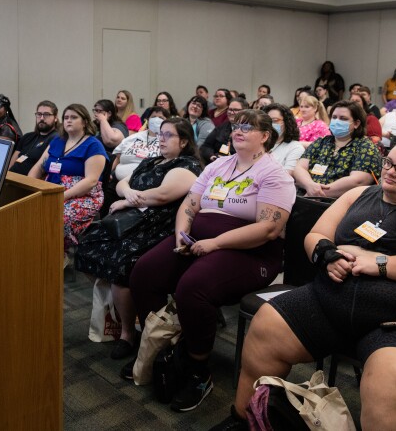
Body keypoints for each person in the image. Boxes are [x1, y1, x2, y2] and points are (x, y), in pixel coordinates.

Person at [214, 137, 396, 430]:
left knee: (394, 379)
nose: (391, 171)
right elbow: (316, 235)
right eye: (388, 163)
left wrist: (380, 263)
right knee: (267, 325)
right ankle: (244, 419)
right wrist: (327, 256)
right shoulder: (358, 195)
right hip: (332, 303)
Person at [128, 108, 295, 412]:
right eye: (235, 126)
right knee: (145, 272)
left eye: (248, 127)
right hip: (199, 242)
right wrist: (181, 234)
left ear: (266, 136)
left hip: (249, 251)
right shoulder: (218, 165)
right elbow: (190, 204)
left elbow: (268, 229)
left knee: (193, 287)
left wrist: (215, 243)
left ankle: (197, 369)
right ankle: (164, 347)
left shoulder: (275, 174)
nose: (238, 131)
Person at [75, 118, 203, 360]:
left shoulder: (188, 166)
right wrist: (130, 194)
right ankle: (128, 310)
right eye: (160, 134)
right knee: (86, 244)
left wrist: (128, 199)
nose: (160, 139)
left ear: (184, 141)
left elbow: (164, 195)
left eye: (168, 135)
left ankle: (126, 334)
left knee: (120, 266)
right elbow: (123, 181)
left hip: (157, 226)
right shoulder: (154, 160)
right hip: (132, 218)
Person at [29, 104, 109, 253]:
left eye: (74, 117)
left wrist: (62, 196)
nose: (68, 121)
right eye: (66, 117)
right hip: (52, 189)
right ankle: (36, 253)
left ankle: (59, 254)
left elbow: (91, 181)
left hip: (82, 195)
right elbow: (39, 166)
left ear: (85, 122)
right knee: (28, 212)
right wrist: (30, 187)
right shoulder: (57, 141)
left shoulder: (93, 145)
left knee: (55, 217)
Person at [293, 101, 381, 199]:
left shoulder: (366, 147)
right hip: (306, 196)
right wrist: (309, 185)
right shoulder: (321, 142)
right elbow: (299, 168)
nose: (337, 121)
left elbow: (357, 181)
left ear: (356, 123)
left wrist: (315, 193)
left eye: (343, 118)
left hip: (339, 203)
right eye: (334, 117)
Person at [100, 106, 169, 215]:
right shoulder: (132, 138)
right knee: (107, 194)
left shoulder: (167, 141)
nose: (156, 119)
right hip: (118, 181)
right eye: (153, 117)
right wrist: (109, 173)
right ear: (147, 120)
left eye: (160, 117)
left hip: (146, 184)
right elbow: (117, 158)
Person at [8, 100, 60, 175]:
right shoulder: (27, 136)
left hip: (30, 182)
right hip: (11, 179)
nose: (42, 118)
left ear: (55, 118)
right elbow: (10, 165)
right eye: (39, 114)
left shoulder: (56, 138)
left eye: (46, 114)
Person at [264, 103, 304, 173]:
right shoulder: (259, 143)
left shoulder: (295, 147)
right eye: (267, 121)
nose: (270, 124)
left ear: (287, 122)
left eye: (275, 120)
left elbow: (287, 175)